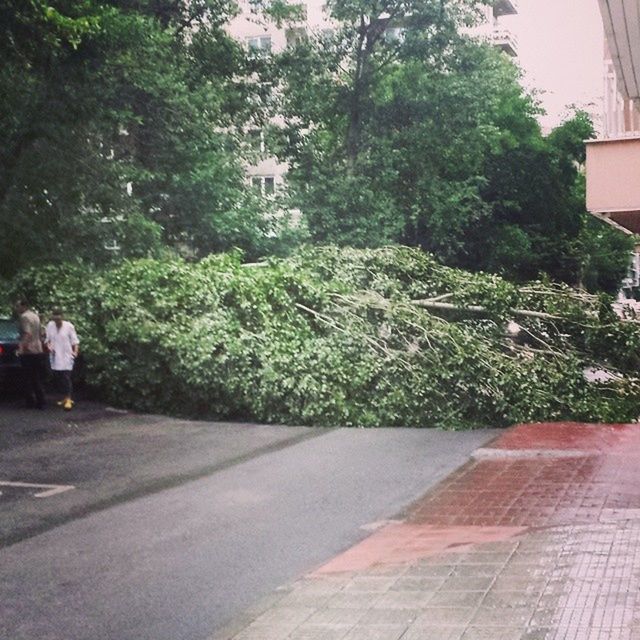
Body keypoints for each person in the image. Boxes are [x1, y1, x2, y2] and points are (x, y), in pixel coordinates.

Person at [45, 309, 79, 411]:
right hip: (55, 355)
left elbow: (75, 341)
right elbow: (48, 340)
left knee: (66, 377)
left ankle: (68, 398)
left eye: (58, 316)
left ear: (62, 316)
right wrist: (49, 346)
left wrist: (75, 352)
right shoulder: (50, 326)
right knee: (58, 377)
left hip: (66, 355)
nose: (56, 318)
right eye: (55, 316)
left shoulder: (69, 326)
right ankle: (64, 397)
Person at [15, 299, 46, 409]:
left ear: (23, 306)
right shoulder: (35, 316)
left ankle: (30, 401)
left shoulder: (24, 317)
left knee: (27, 377)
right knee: (36, 377)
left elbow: (27, 333)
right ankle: (41, 401)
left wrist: (21, 348)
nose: (16, 308)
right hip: (38, 350)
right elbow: (41, 332)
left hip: (29, 351)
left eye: (17, 306)